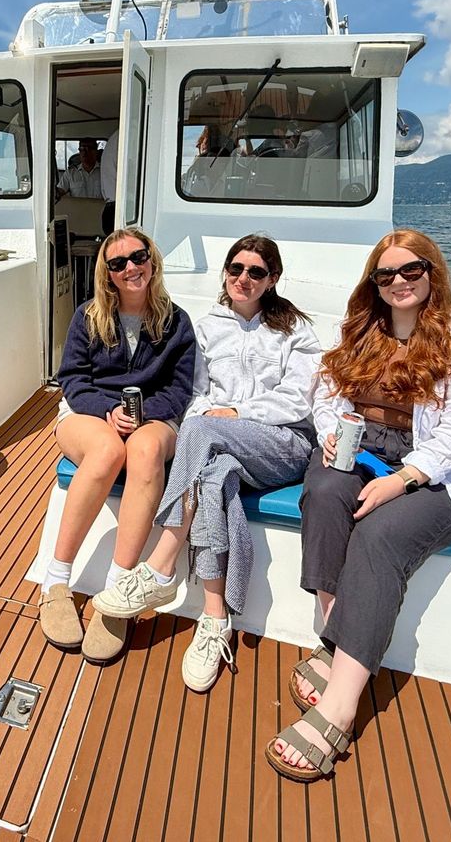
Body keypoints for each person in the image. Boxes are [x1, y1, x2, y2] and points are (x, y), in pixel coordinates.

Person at [266, 229, 451, 783]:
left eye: (410, 271)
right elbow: (326, 392)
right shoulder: (364, 330)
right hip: (358, 444)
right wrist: (329, 431)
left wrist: (403, 480)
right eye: (385, 274)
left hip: (432, 468)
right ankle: (333, 639)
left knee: (380, 536)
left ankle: (339, 707)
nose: (398, 282)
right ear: (373, 282)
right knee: (322, 494)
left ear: (431, 273)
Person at [90, 235, 321, 691]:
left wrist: (235, 414)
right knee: (213, 479)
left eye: (256, 272)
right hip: (220, 445)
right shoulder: (208, 326)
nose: (243, 279)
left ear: (272, 279)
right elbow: (195, 395)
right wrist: (213, 418)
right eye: (236, 268)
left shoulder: (296, 329)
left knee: (200, 433)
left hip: (283, 444)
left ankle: (161, 565)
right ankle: (216, 617)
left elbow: (299, 400)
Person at [40, 227, 196, 664]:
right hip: (88, 414)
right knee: (107, 451)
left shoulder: (176, 321)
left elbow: (179, 389)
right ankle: (56, 582)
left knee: (144, 450)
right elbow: (72, 380)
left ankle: (119, 590)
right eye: (117, 263)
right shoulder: (89, 316)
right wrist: (109, 410)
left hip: (154, 418)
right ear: (106, 273)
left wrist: (142, 414)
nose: (131, 267)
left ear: (152, 259)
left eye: (138, 257)